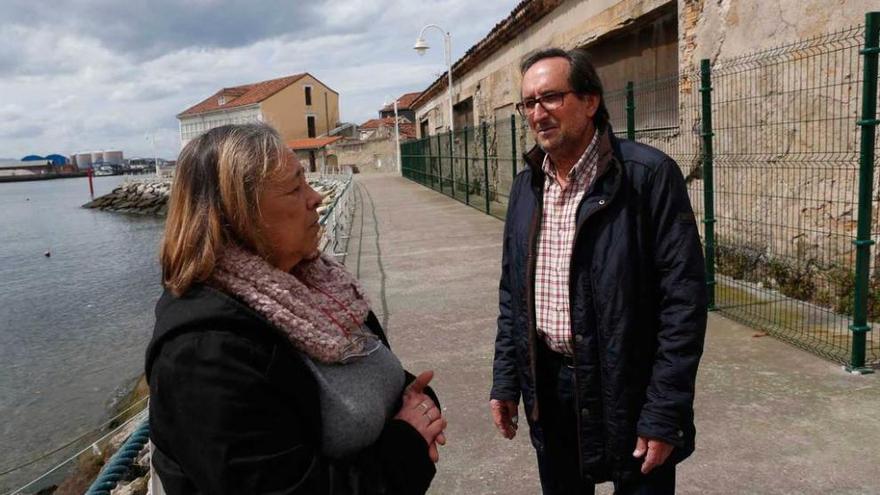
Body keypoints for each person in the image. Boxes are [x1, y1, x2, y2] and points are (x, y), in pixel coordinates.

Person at [146, 123, 446, 494]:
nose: (316, 197)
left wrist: (421, 404)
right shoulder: (202, 354)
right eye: (294, 188)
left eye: (306, 181)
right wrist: (409, 444)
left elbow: (377, 370)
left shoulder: (318, 283)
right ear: (239, 216)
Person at [490, 47, 707, 494]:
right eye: (528, 102)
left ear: (590, 102)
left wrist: (665, 410)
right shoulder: (526, 187)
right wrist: (507, 380)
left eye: (550, 97)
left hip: (629, 387)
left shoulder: (646, 177)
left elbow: (683, 303)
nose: (538, 112)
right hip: (551, 389)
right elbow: (513, 296)